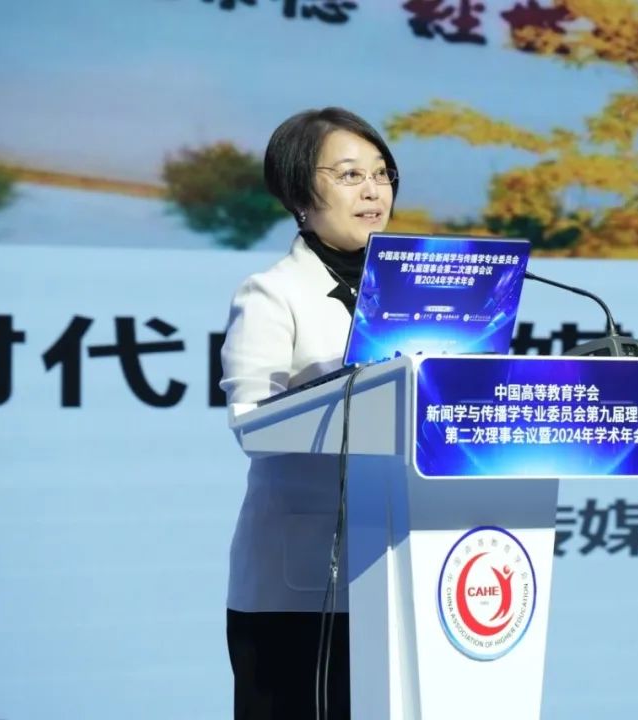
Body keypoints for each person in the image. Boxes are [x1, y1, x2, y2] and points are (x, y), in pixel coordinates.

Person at [219, 107, 399, 720]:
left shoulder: (414, 292)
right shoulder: (272, 293)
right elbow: (252, 424)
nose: (373, 190)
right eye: (349, 175)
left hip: (402, 574)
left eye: (381, 173)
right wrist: (350, 391)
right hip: (298, 589)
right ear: (300, 194)